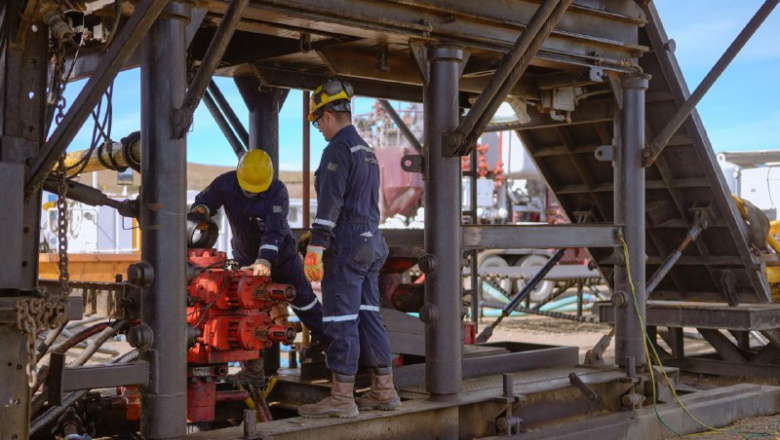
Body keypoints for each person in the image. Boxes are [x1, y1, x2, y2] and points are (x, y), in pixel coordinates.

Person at [298, 78, 400, 419]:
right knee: (370, 316)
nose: (319, 130)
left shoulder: (338, 151)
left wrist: (315, 247)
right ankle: (383, 389)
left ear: (327, 114)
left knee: (340, 318)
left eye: (317, 123)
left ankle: (342, 398)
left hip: (348, 244)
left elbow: (330, 205)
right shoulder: (366, 151)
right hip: (372, 242)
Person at [190, 149, 327, 348]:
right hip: (245, 261)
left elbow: (274, 231)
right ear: (239, 175)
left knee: (306, 304)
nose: (252, 193)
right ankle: (256, 371)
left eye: (257, 190)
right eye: (248, 189)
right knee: (246, 318)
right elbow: (204, 202)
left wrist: (264, 260)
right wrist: (201, 211)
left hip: (283, 260)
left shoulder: (277, 191)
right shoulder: (225, 183)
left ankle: (334, 354)